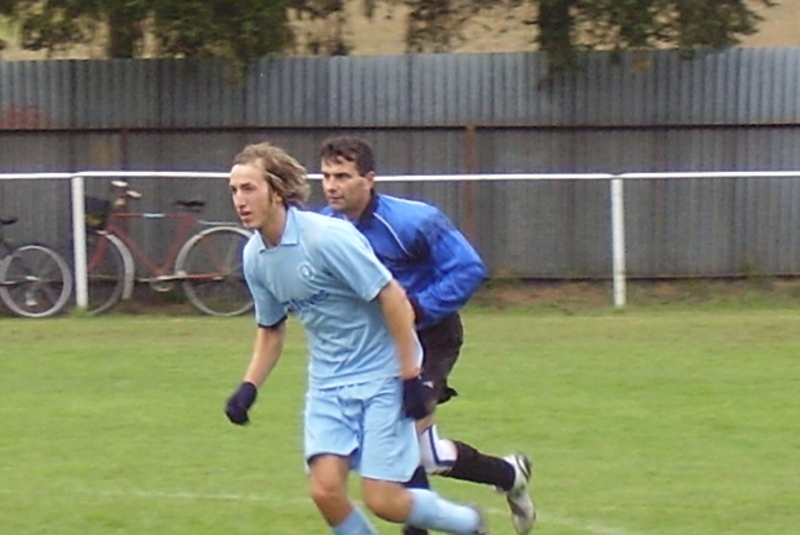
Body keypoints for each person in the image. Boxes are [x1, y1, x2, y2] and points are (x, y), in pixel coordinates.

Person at [223, 140, 488, 535]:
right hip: (328, 383)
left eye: (249, 188)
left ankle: (469, 523)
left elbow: (393, 298)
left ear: (277, 192)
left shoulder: (325, 237)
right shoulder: (254, 256)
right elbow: (271, 329)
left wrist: (410, 376)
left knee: (384, 500)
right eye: (234, 190)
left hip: (382, 376)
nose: (239, 200)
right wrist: (248, 387)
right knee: (325, 491)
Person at [318, 135, 536, 535]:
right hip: (376, 349)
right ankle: (509, 474)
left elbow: (468, 268)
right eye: (327, 176)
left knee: (406, 445)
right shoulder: (325, 228)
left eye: (343, 176)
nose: (332, 185)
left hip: (431, 338)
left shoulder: (413, 221)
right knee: (418, 452)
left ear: (369, 179)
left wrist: (417, 307)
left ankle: (464, 514)